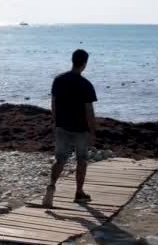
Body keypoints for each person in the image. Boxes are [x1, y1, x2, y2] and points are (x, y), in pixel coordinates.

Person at [42, 49, 97, 208]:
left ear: (72, 60)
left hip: (62, 126)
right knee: (82, 160)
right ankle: (79, 193)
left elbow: (53, 103)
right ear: (85, 64)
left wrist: (55, 121)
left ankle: (51, 187)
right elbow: (89, 111)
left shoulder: (58, 80)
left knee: (59, 159)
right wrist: (92, 131)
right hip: (80, 128)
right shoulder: (86, 84)